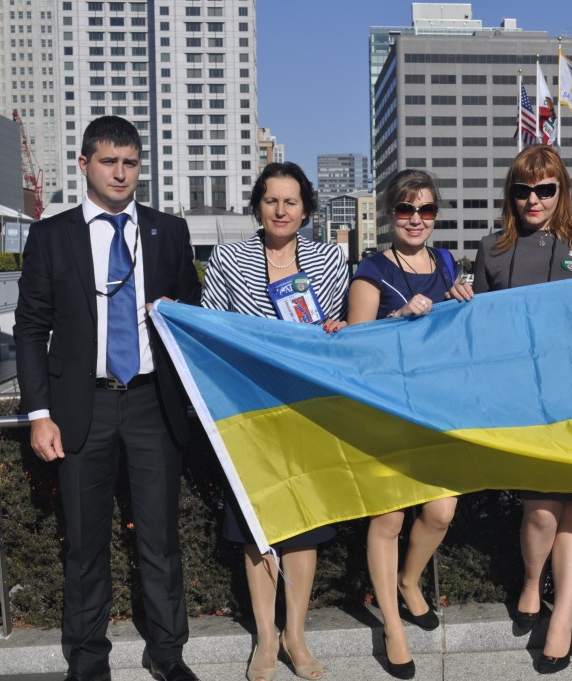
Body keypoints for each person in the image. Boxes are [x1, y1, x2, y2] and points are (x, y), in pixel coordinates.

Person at [14, 116, 202, 681]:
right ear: (84, 165)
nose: (121, 173)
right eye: (109, 162)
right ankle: (88, 660)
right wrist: (39, 413)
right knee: (85, 543)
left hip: (152, 404)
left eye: (130, 163)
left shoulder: (169, 231)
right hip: (81, 407)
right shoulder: (52, 235)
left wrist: (175, 310)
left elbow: (191, 314)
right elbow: (30, 328)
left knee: (161, 540)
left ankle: (168, 654)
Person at [473, 145, 572, 675]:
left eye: (545, 189)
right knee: (540, 509)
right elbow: (479, 331)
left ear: (562, 191)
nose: (533, 199)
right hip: (521, 400)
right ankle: (533, 579)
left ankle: (562, 619)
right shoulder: (490, 249)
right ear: (510, 194)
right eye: (523, 190)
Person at [202, 162, 349, 681]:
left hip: (308, 410)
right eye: (271, 200)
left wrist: (336, 327)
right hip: (248, 411)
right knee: (258, 526)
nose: (281, 210)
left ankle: (296, 635)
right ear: (257, 206)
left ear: (306, 209)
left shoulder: (329, 259)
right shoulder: (228, 258)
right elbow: (209, 327)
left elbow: (342, 328)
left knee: (305, 524)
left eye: (291, 201)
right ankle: (266, 638)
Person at [346, 169, 473, 680]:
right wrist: (399, 318)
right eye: (405, 209)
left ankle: (407, 581)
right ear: (389, 214)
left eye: (425, 209)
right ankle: (392, 627)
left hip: (436, 407)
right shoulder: (371, 270)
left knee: (440, 512)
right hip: (386, 409)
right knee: (389, 519)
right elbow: (355, 347)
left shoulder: (446, 263)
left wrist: (461, 303)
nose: (416, 219)